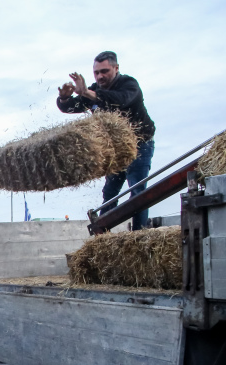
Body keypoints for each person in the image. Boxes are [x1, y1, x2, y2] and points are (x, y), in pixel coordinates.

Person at [57, 50, 155, 230]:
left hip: (140, 144)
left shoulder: (129, 85)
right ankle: (102, 234)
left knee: (137, 189)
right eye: (96, 72)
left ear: (116, 68)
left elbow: (119, 101)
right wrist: (64, 98)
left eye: (104, 71)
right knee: (110, 192)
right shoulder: (95, 89)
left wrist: (87, 92)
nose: (100, 76)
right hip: (115, 150)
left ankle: (139, 234)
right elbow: (72, 106)